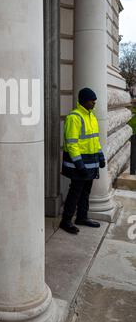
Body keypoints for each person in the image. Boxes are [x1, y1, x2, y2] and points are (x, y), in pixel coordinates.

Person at [60, 87, 106, 234]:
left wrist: (100, 156)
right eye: (92, 100)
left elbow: (95, 140)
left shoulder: (91, 116)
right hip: (78, 165)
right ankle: (65, 221)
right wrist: (79, 164)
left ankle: (82, 217)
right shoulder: (74, 117)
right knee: (75, 192)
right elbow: (72, 143)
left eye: (94, 100)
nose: (94, 103)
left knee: (85, 192)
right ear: (84, 100)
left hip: (90, 163)